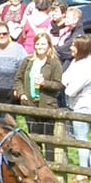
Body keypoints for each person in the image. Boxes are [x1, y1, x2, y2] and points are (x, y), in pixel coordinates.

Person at [13, 31, 63, 161]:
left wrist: (44, 83)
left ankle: (50, 164)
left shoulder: (54, 63)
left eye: (43, 44)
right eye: (38, 43)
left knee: (48, 138)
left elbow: (58, 85)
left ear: (49, 46)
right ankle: (37, 163)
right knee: (33, 137)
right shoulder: (28, 61)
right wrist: (21, 93)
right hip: (29, 105)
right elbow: (18, 78)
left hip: (47, 105)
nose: (40, 46)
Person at [62, 34, 91, 183]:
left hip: (83, 105)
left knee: (81, 139)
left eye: (74, 46)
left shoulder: (89, 66)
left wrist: (68, 84)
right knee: (76, 136)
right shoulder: (76, 61)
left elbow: (70, 89)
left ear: (81, 48)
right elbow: (64, 78)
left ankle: (83, 173)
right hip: (73, 104)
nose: (71, 48)